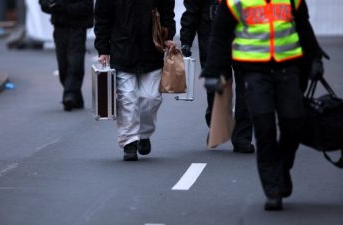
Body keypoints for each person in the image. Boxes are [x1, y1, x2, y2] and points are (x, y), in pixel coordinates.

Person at [201, 0, 324, 210]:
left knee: (294, 123)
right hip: (254, 72)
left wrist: (315, 58)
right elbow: (220, 36)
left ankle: (282, 168)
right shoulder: (236, 2)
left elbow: (303, 26)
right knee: (264, 128)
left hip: (288, 68)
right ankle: (273, 188)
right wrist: (213, 71)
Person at [94, 0, 176, 161]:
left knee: (151, 98)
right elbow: (102, 17)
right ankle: (129, 142)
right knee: (127, 98)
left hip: (151, 50)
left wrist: (168, 35)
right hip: (122, 49)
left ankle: (144, 134)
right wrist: (103, 49)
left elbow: (167, 9)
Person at [180, 0, 254, 153]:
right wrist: (186, 40)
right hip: (213, 39)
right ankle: (217, 124)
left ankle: (242, 137)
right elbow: (192, 10)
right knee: (217, 87)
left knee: (246, 89)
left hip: (245, 39)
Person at [39, 0, 93, 111]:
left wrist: (64, 8)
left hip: (77, 28)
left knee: (75, 63)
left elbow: (86, 6)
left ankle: (69, 95)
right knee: (63, 67)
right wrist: (51, 6)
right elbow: (43, 4)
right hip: (60, 28)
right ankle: (76, 99)